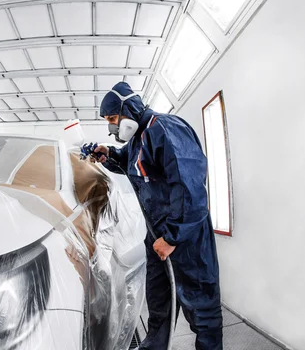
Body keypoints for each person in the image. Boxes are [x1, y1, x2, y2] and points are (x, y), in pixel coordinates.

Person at [92, 82, 223, 350]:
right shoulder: (139, 139)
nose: (112, 127)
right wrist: (107, 155)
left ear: (129, 108)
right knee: (160, 303)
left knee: (201, 309)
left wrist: (173, 237)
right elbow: (128, 164)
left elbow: (189, 189)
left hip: (186, 240)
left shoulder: (164, 129)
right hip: (157, 236)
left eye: (113, 118)